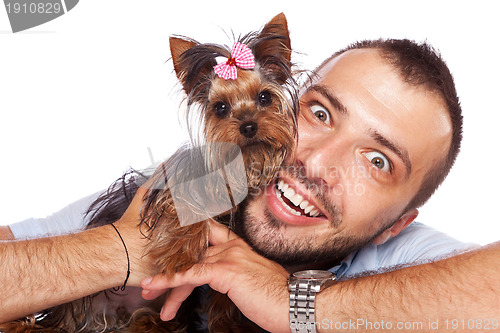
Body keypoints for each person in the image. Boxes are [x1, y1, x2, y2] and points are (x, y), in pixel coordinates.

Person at [0, 38, 485, 330]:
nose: (316, 162)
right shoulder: (190, 182)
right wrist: (122, 249)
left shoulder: (399, 265)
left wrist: (291, 305)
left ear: (396, 226)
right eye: (320, 113)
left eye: (377, 160)